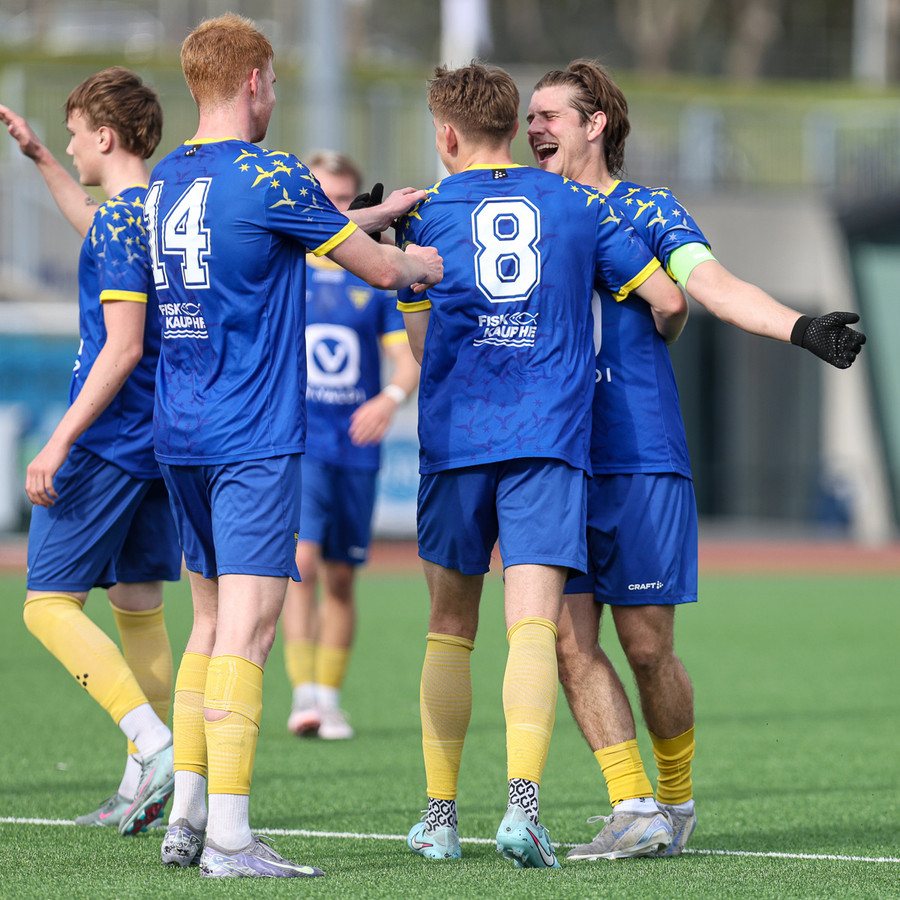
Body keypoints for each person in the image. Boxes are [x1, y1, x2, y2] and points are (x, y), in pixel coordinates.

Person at [525, 59, 867, 862]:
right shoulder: (526, 213)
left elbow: (709, 286)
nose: (532, 128)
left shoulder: (649, 210)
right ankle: (631, 804)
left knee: (648, 650)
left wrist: (799, 329)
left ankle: (675, 801)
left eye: (549, 115)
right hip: (552, 458)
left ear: (595, 123)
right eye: (529, 116)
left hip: (639, 455)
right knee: (568, 642)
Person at [147, 14, 442, 879]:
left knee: (206, 626)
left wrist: (370, 212)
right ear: (254, 81)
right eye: (273, 81)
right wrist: (429, 261)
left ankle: (187, 815)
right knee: (249, 633)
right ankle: (231, 840)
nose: (274, 95)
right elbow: (385, 272)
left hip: (182, 429)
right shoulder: (272, 173)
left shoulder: (169, 178)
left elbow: (271, 228)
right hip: (251, 436)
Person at [396, 62, 686, 869]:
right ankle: (523, 810)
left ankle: (440, 819)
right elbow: (668, 302)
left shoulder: (426, 213)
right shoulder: (578, 205)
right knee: (534, 625)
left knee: (450, 628)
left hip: (458, 438)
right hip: (550, 440)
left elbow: (419, 347)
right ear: (512, 125)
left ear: (447, 134)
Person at [0, 69, 182, 836]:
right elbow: (94, 225)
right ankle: (146, 776)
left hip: (106, 436)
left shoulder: (119, 222)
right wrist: (41, 156)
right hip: (161, 435)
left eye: (74, 135)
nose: (72, 146)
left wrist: (59, 437)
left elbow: (121, 346)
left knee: (46, 606)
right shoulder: (164, 212)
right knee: (139, 604)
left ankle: (154, 744)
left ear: (105, 137)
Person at [282, 150, 420, 741]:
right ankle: (304, 696)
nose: (336, 209)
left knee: (340, 578)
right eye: (325, 198)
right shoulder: (287, 265)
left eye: (344, 199)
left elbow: (406, 360)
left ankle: (331, 697)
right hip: (300, 442)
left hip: (356, 449)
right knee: (300, 565)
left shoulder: (375, 276)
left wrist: (389, 399)